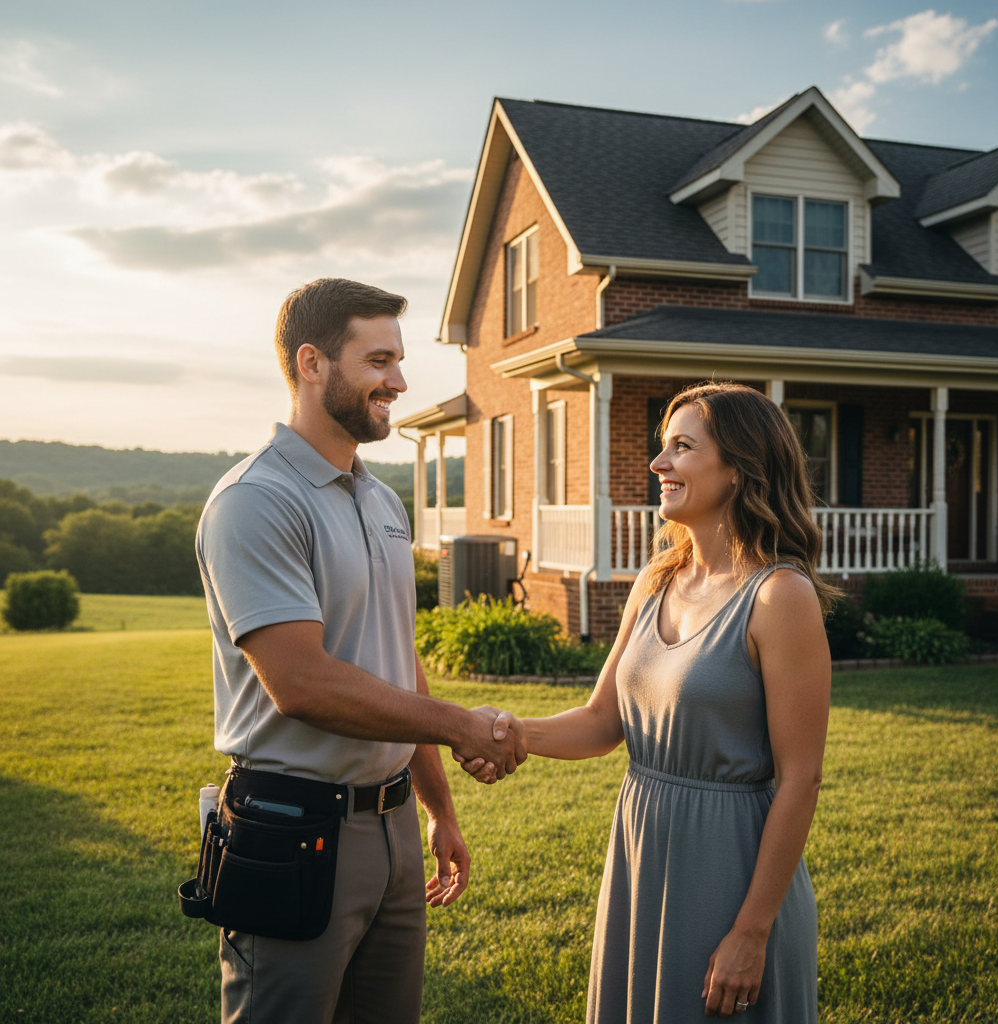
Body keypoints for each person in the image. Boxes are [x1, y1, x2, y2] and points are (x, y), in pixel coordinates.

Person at [195, 277, 525, 1024]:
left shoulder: (381, 500)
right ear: (312, 363)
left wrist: (439, 810)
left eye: (398, 360)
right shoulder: (255, 500)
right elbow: (302, 684)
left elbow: (397, 662)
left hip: (394, 826)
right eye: (378, 361)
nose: (399, 382)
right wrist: (461, 724)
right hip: (292, 826)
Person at [460, 381, 835, 1021]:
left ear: (740, 469)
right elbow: (601, 721)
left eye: (682, 447)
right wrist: (511, 731)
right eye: (664, 446)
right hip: (643, 850)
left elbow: (801, 778)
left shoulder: (780, 597)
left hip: (730, 866)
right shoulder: (656, 580)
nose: (659, 463)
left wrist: (751, 931)